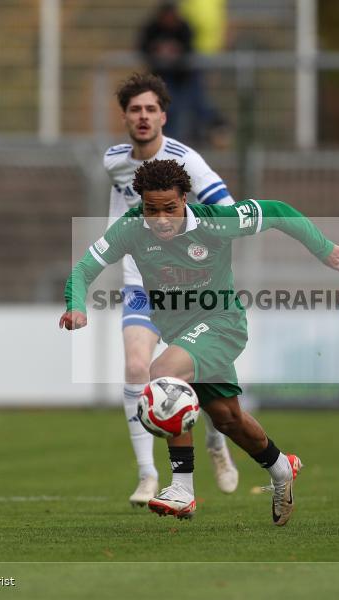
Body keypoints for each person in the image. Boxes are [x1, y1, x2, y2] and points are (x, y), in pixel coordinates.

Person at [61, 158, 339, 524]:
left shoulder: (218, 221)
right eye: (152, 210)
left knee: (162, 375)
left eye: (170, 207)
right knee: (228, 418)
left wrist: (322, 248)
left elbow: (279, 211)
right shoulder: (132, 226)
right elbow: (85, 267)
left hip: (222, 324)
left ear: (185, 197)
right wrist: (75, 305)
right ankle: (281, 468)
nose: (162, 218)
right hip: (182, 335)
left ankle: (182, 488)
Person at [106, 72, 239, 507]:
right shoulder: (113, 160)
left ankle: (218, 443)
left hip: (188, 286)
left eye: (150, 109)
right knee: (135, 369)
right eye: (134, 110)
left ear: (164, 114)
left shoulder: (188, 162)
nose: (142, 117)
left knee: (202, 379)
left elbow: (227, 212)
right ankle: (147, 475)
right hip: (139, 283)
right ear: (125, 116)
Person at [138, 2, 224, 144]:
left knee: (194, 105)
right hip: (163, 78)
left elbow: (188, 48)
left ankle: (212, 128)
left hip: (184, 77)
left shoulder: (183, 27)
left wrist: (176, 52)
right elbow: (143, 46)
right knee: (170, 110)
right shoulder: (153, 28)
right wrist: (157, 50)